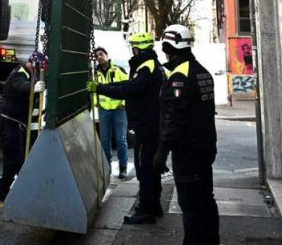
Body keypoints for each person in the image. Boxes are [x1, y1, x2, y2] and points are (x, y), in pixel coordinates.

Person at [87, 32, 164, 224]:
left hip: (147, 126)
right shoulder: (150, 65)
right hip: (150, 124)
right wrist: (103, 87)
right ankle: (153, 205)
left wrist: (101, 88)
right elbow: (128, 84)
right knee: (150, 167)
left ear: (139, 48)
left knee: (144, 167)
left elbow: (129, 89)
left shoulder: (146, 67)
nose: (133, 51)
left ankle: (146, 210)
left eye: (134, 48)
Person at [154, 24, 219, 244]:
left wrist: (161, 153)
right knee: (206, 200)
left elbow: (174, 120)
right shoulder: (202, 72)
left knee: (191, 206)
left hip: (188, 153)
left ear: (168, 46)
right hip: (205, 149)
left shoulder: (179, 77)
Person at [0, 50, 46, 202]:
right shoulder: (19, 73)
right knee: (13, 157)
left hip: (19, 122)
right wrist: (34, 87)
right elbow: (20, 85)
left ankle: (20, 188)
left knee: (22, 157)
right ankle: (2, 192)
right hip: (10, 121)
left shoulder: (30, 74)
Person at [92, 46, 130, 179]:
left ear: (107, 55)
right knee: (104, 140)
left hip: (119, 109)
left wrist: (123, 103)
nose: (99, 57)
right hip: (104, 109)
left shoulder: (118, 70)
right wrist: (95, 102)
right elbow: (92, 89)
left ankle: (123, 167)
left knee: (121, 139)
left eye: (101, 54)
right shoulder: (94, 73)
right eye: (96, 56)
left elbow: (127, 86)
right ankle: (106, 168)